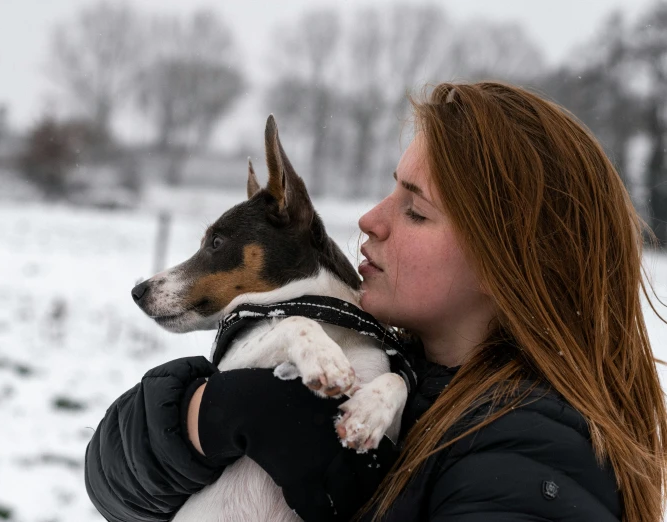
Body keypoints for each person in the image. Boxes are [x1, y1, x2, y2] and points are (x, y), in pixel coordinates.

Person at [84, 82, 667, 522]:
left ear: (506, 265)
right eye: (391, 188)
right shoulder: (403, 372)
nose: (368, 220)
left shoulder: (529, 456)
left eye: (415, 209)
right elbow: (110, 482)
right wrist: (203, 417)